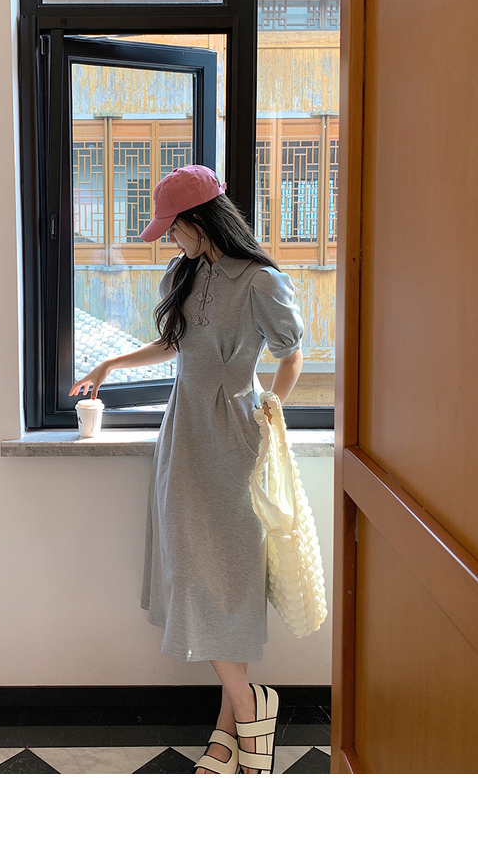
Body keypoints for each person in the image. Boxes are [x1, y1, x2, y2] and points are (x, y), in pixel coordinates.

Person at [69, 164, 304, 775]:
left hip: (236, 434)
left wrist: (270, 410)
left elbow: (291, 354)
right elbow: (173, 345)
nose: (170, 239)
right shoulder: (185, 272)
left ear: (200, 221)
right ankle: (244, 713)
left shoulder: (261, 280)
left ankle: (237, 723)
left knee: (229, 573)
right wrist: (109, 365)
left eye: (173, 228)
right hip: (185, 433)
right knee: (194, 569)